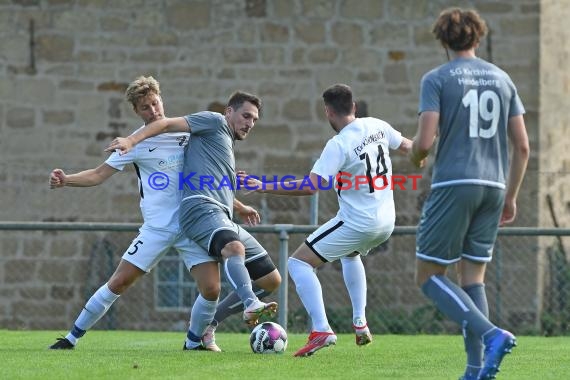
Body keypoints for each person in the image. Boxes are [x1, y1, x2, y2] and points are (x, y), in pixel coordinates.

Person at [49, 76, 281, 352]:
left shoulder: (188, 133)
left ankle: (193, 343)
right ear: (137, 111)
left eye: (155, 103)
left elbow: (208, 178)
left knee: (211, 289)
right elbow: (99, 175)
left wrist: (239, 207)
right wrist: (67, 180)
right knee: (120, 281)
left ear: (162, 100)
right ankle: (71, 337)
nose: (153, 111)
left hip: (194, 225)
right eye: (145, 107)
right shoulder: (135, 144)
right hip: (158, 227)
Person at [240, 83, 417, 356]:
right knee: (350, 254)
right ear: (354, 107)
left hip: (359, 222)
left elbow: (311, 186)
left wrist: (261, 184)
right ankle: (360, 323)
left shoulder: (339, 144)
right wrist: (427, 147)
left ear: (328, 113)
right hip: (386, 222)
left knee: (297, 263)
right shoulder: (377, 125)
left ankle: (321, 330)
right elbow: (410, 147)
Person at [409, 8, 529, 380]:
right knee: (472, 278)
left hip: (453, 184)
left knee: (428, 275)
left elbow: (425, 142)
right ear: (477, 37)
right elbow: (523, 147)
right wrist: (511, 196)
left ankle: (492, 334)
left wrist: (415, 154)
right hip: (494, 187)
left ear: (444, 41)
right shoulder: (503, 79)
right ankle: (477, 369)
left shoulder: (437, 78)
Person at [105, 90, 281, 344]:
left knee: (270, 280)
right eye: (245, 116)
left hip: (221, 214)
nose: (250, 123)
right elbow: (164, 123)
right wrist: (132, 141)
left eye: (254, 119)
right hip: (199, 209)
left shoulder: (223, 141)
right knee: (234, 248)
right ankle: (250, 302)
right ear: (228, 112)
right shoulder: (214, 121)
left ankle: (210, 322)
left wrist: (239, 205)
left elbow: (209, 178)